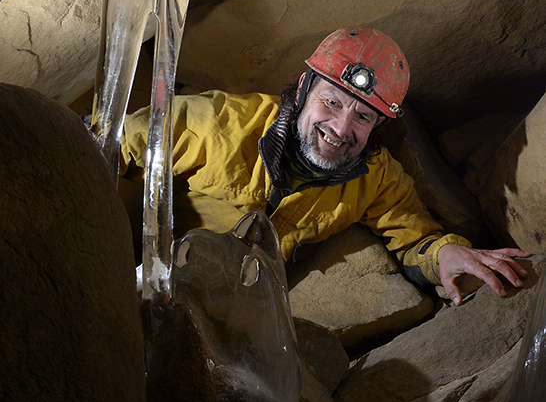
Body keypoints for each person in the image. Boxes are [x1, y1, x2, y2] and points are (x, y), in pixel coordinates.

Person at [121, 26, 529, 306]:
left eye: (363, 117)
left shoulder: (376, 180)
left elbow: (414, 239)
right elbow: (111, 144)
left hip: (238, 308)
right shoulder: (216, 124)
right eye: (331, 102)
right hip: (142, 277)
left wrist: (445, 255)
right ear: (303, 89)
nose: (341, 128)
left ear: (378, 125)